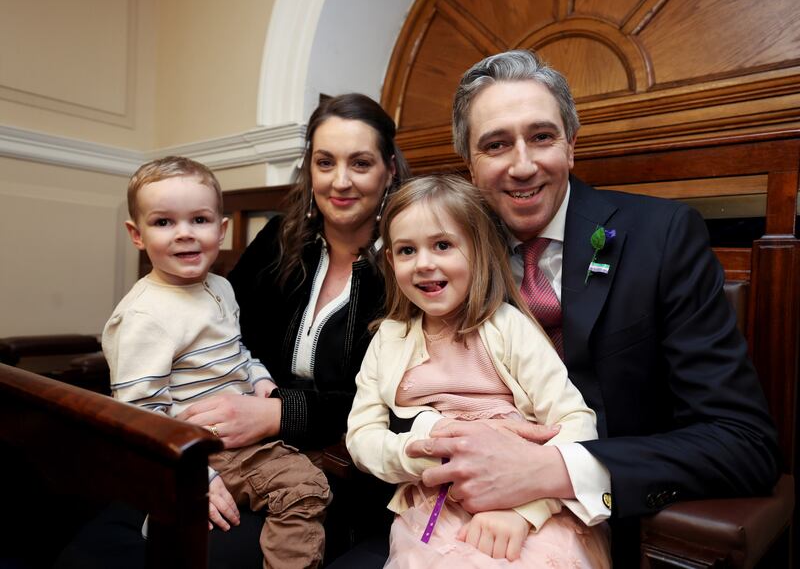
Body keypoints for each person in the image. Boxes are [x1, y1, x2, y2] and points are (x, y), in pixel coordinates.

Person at [401, 50, 781, 565]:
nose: (523, 164)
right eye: (496, 144)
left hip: (612, 525)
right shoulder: (442, 261)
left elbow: (743, 444)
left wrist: (550, 470)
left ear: (571, 145)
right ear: (470, 167)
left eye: (541, 136)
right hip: (455, 521)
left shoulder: (662, 237)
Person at [178, 93, 413, 561]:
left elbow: (399, 399)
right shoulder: (280, 239)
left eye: (360, 163)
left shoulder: (411, 261)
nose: (339, 181)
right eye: (325, 162)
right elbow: (221, 335)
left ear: (388, 169)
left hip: (344, 474)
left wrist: (280, 413)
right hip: (242, 448)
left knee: (211, 552)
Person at [346, 175, 610, 567]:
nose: (424, 264)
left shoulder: (508, 327)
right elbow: (362, 437)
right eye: (406, 250)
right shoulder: (389, 339)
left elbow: (574, 421)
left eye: (442, 245)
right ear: (391, 261)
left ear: (479, 251)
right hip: (437, 503)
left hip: (525, 499)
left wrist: (525, 510)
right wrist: (420, 454)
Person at [103, 155, 331, 568]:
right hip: (199, 449)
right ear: (137, 235)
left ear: (221, 229)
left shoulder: (221, 288)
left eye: (200, 220)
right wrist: (194, 477)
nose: (184, 235)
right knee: (304, 490)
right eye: (164, 223)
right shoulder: (144, 317)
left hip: (242, 431)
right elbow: (139, 415)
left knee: (320, 471)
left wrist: (261, 381)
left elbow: (238, 352)